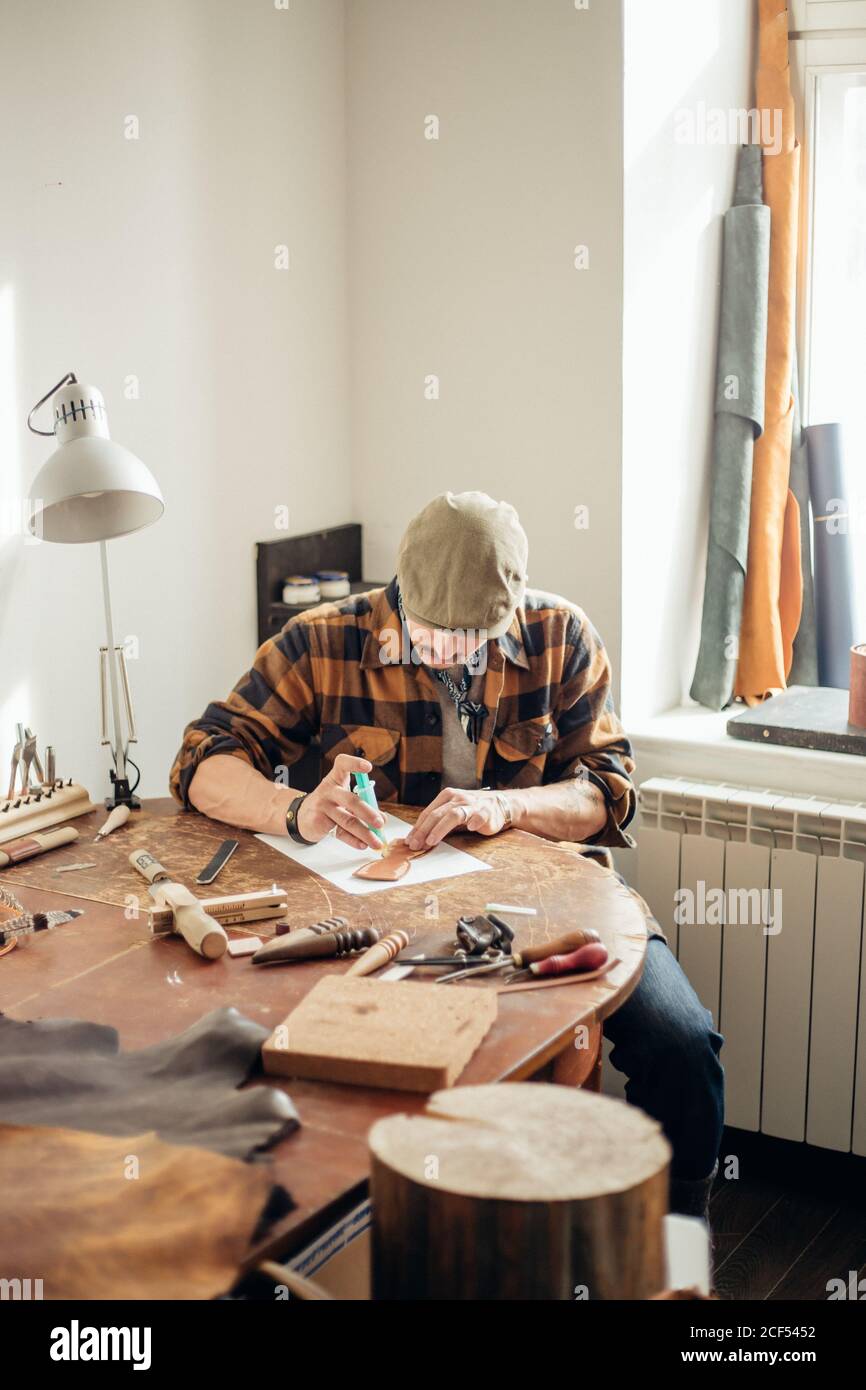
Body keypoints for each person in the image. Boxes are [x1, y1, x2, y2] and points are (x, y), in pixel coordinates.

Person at [170, 491, 723, 1219]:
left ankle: (674, 1244)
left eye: (475, 637)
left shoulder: (562, 637)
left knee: (683, 1049)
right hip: (381, 915)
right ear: (399, 592)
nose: (452, 652)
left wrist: (506, 804)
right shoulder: (319, 642)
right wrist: (296, 809)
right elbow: (201, 761)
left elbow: (608, 794)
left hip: (556, 905)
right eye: (431, 634)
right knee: (351, 1067)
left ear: (513, 606)